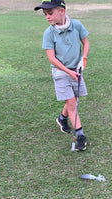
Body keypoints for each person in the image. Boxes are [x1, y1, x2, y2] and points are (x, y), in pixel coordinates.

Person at [35, 0, 89, 151]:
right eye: (45, 14)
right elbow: (52, 58)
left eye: (50, 13)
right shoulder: (48, 33)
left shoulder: (76, 25)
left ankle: (62, 118)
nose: (47, 17)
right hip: (60, 72)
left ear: (62, 11)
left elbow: (86, 42)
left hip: (76, 70)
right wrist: (68, 72)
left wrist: (83, 59)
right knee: (72, 104)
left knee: (74, 100)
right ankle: (81, 136)